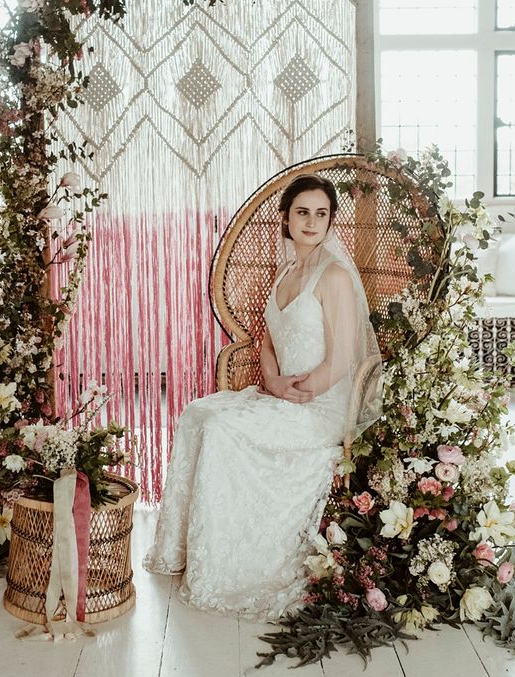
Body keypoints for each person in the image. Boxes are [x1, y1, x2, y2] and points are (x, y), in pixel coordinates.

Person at [143, 174, 382, 621]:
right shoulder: (288, 272)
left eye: (321, 213)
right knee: (197, 412)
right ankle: (183, 550)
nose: (311, 222)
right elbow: (268, 342)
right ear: (287, 219)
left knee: (219, 425)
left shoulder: (333, 277)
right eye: (302, 212)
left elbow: (345, 357)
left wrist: (300, 391)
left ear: (331, 222)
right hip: (283, 393)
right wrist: (273, 383)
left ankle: (230, 567)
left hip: (320, 405)